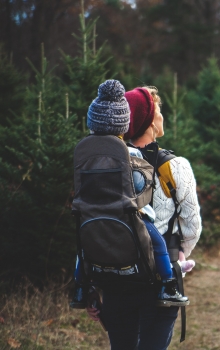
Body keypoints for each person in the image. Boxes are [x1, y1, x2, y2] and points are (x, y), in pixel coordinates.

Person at [87, 83, 202, 349]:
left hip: (116, 278)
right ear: (150, 121)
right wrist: (179, 256)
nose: (162, 115)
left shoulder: (106, 165)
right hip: (159, 282)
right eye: (158, 109)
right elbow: (192, 227)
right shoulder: (175, 166)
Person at [70, 79, 189, 310]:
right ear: (123, 125)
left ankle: (80, 288)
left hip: (90, 212)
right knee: (157, 242)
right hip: (126, 212)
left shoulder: (84, 152)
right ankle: (168, 285)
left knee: (82, 247)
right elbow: (139, 183)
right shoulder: (129, 152)